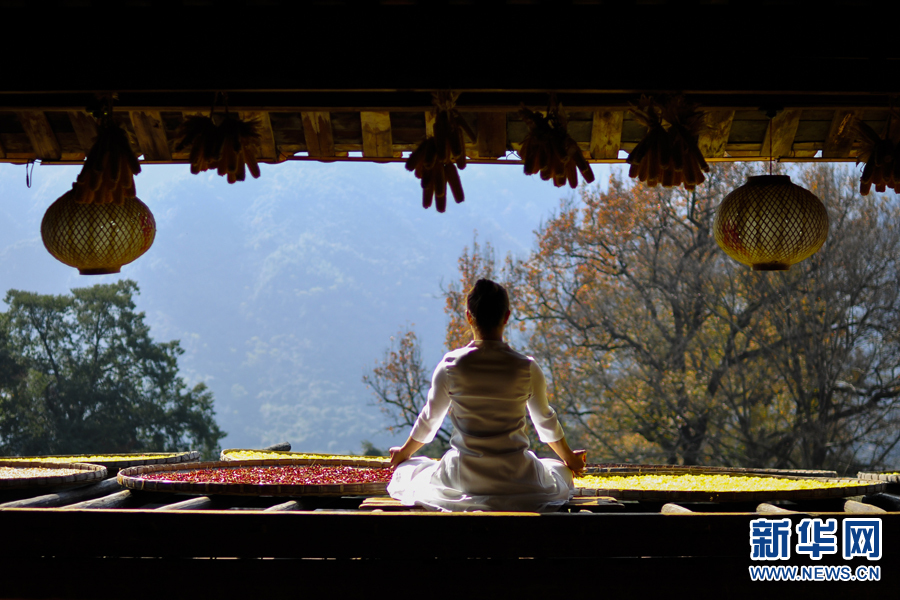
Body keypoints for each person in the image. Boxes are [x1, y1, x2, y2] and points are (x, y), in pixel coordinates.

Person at [387, 278, 586, 512]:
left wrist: (403, 453)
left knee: (409, 470)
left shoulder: (451, 365)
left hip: (462, 476)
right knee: (558, 468)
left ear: (469, 317)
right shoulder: (526, 367)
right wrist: (570, 459)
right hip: (517, 476)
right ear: (507, 316)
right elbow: (545, 421)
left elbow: (430, 420)